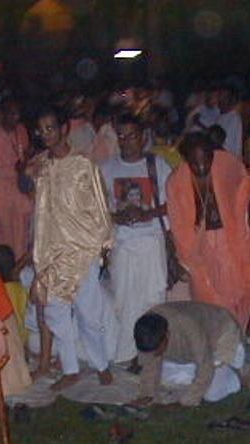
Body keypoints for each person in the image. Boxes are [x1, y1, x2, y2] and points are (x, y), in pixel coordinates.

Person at [28, 105, 114, 390]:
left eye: (51, 128)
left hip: (82, 249)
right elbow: (40, 210)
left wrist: (104, 245)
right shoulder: (42, 167)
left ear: (64, 129)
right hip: (52, 251)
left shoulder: (83, 164)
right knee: (55, 312)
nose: (46, 134)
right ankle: (70, 369)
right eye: (41, 130)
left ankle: (101, 364)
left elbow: (101, 205)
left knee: (89, 312)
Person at [166, 132, 250, 329]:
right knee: (208, 295)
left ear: (213, 155)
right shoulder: (176, 182)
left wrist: (247, 226)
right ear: (185, 160)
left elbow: (245, 188)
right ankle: (219, 337)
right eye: (194, 164)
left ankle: (236, 335)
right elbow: (177, 223)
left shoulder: (227, 165)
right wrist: (184, 259)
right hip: (200, 245)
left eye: (206, 161)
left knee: (237, 292)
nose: (201, 168)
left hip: (230, 240)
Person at [100, 113, 171, 365]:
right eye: (121, 136)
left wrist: (147, 214)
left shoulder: (157, 165)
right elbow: (98, 207)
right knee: (123, 300)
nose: (126, 141)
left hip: (151, 243)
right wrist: (117, 217)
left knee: (153, 298)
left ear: (142, 137)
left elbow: (174, 202)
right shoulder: (107, 168)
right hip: (123, 245)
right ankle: (128, 354)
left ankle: (152, 354)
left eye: (131, 136)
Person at [132, 301, 244, 407]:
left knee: (211, 393)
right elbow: (149, 365)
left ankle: (236, 374)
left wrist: (183, 403)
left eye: (157, 349)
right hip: (193, 352)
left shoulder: (188, 327)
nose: (154, 354)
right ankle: (199, 373)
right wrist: (147, 395)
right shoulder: (145, 329)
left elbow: (205, 367)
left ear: (167, 335)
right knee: (166, 378)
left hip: (222, 336)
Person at [0, 97, 33, 265]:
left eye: (18, 113)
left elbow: (25, 157)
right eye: (11, 113)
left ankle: (20, 272)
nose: (15, 117)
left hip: (21, 195)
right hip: (2, 198)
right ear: (1, 115)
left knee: (23, 239)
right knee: (5, 241)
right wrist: (13, 171)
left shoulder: (21, 131)